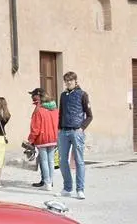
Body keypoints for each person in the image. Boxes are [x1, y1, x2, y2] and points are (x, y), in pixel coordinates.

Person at [57, 71, 93, 200]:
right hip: (64, 132)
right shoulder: (63, 95)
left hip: (76, 131)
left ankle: (80, 189)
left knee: (79, 161)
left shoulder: (82, 95)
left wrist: (81, 128)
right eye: (66, 81)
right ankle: (67, 188)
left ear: (75, 81)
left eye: (70, 81)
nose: (68, 83)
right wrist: (59, 129)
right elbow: (60, 113)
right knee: (62, 161)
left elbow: (90, 116)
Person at [26, 88, 59, 191]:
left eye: (33, 96)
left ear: (38, 96)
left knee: (43, 161)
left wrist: (30, 140)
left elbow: (35, 128)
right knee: (51, 161)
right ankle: (50, 182)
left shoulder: (38, 110)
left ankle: (47, 183)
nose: (32, 98)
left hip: (42, 138)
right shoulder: (54, 109)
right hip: (53, 138)